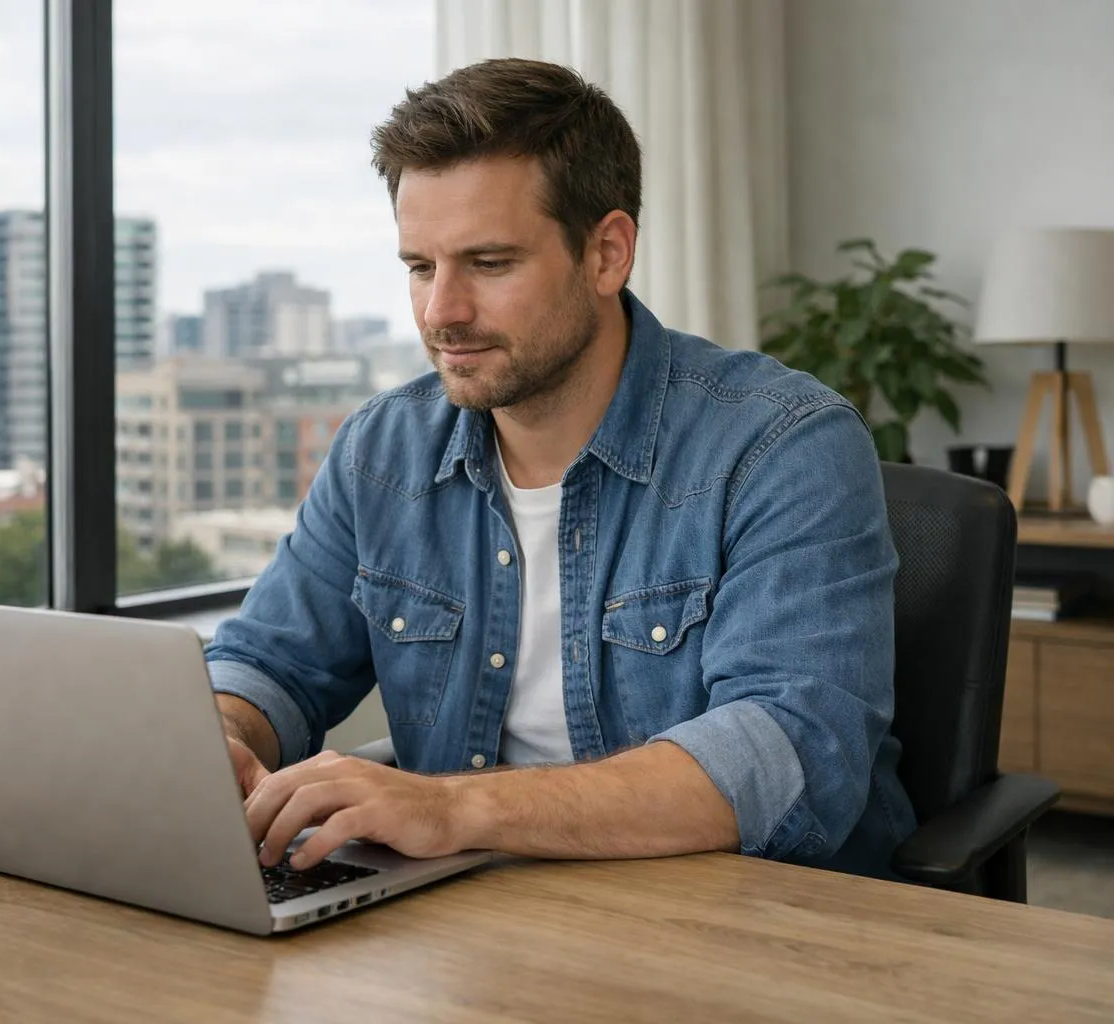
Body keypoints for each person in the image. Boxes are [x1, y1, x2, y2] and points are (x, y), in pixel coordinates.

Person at [206, 57, 916, 880]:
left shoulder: (782, 444)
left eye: (490, 263)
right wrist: (224, 737)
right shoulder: (382, 451)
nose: (442, 312)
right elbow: (273, 661)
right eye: (419, 267)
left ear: (608, 253)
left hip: (753, 929)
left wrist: (453, 809)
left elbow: (784, 752)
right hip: (475, 922)